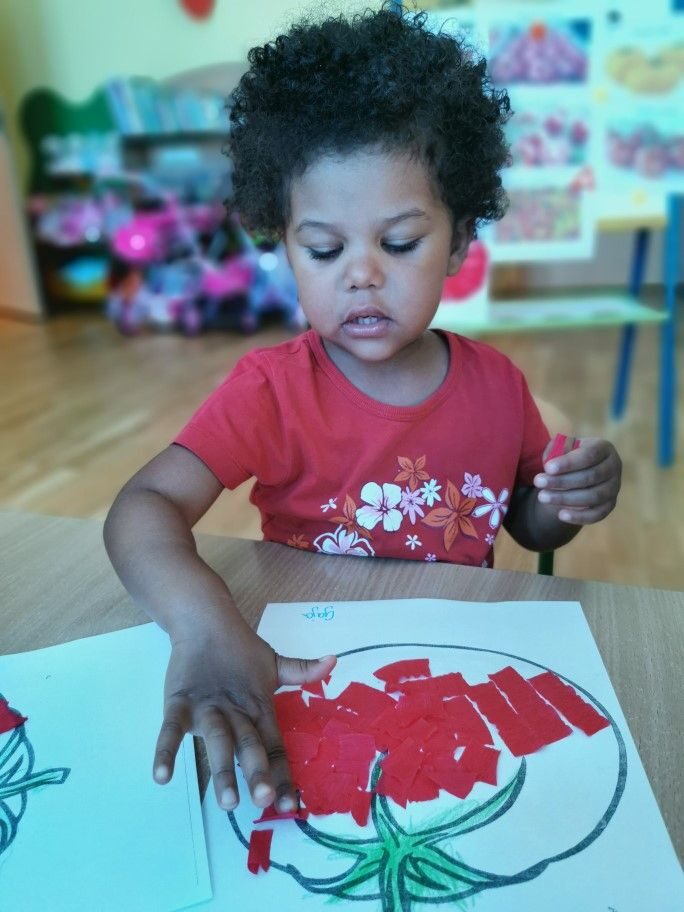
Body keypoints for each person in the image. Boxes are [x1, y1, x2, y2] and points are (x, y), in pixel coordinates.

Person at [104, 5, 621, 817]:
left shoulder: (497, 386)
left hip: (450, 671)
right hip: (308, 670)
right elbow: (143, 507)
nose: (362, 275)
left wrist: (567, 499)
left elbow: (528, 525)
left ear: (458, 241)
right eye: (324, 249)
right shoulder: (270, 391)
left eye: (400, 243)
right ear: (284, 245)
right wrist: (201, 624)